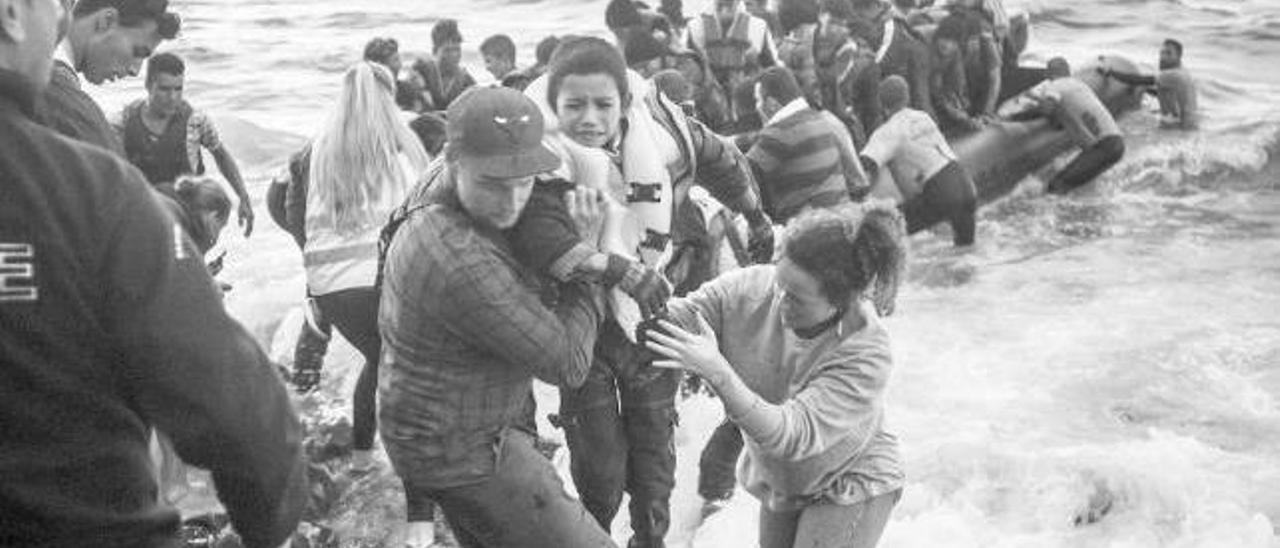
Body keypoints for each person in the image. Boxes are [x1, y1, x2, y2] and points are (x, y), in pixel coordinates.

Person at [0, 1, 306, 545]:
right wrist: (269, 522)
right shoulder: (88, 184)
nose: (62, 19)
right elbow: (232, 404)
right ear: (11, 14)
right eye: (52, 3)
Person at [521, 37, 774, 548]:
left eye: (602, 104)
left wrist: (754, 214)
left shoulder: (665, 132)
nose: (589, 118)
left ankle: (651, 541)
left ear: (624, 102)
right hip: (582, 329)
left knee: (655, 465)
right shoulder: (534, 161)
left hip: (652, 317)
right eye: (573, 106)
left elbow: (722, 159)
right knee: (601, 472)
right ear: (552, 105)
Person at [377, 87, 617, 548]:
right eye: (493, 185)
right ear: (452, 161)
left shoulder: (436, 187)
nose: (511, 204)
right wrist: (583, 258)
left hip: (424, 427)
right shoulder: (458, 255)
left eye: (524, 182)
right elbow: (568, 364)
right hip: (464, 450)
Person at [645, 202, 907, 548]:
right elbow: (680, 317)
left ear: (840, 302)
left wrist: (718, 372)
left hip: (852, 476)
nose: (779, 301)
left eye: (797, 299)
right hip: (787, 480)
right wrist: (623, 277)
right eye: (779, 284)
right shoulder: (754, 286)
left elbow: (792, 435)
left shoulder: (866, 350)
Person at [281, 60, 437, 546]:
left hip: (330, 285)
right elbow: (426, 204)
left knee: (378, 359)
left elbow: (289, 210)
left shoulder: (315, 149)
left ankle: (364, 456)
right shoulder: (400, 139)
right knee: (409, 379)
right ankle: (420, 519)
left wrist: (314, 284)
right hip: (381, 277)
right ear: (388, 96)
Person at [116, 52, 255, 236]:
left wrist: (243, 197)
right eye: (164, 89)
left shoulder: (197, 121)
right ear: (148, 86)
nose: (172, 97)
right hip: (143, 212)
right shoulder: (125, 119)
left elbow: (221, 155)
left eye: (178, 89)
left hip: (186, 216)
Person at [38, 0, 180, 154]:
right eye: (137, 52)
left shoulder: (28, 60)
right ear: (106, 21)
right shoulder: (60, 96)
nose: (135, 71)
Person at [862, 75, 977, 246]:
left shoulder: (887, 131)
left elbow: (865, 164)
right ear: (907, 96)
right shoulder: (923, 116)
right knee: (965, 250)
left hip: (941, 190)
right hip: (966, 183)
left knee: (885, 230)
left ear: (881, 103)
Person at [747, 66, 870, 224]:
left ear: (771, 104)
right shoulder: (821, 120)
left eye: (758, 100)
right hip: (843, 220)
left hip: (809, 235)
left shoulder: (779, 133)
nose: (757, 107)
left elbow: (737, 173)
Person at [1004, 57, 1125, 194]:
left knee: (1056, 186)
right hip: (1116, 143)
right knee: (1073, 182)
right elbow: (1060, 122)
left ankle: (1054, 214)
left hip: (1102, 147)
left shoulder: (1055, 86)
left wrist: (1012, 118)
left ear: (1049, 74)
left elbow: (1046, 109)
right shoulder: (1079, 85)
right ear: (1068, 71)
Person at [688, 0, 779, 126]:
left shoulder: (758, 26)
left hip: (749, 112)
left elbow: (774, 72)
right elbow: (685, 77)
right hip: (708, 115)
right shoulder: (694, 27)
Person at [1104, 39, 1198, 130]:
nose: (1163, 57)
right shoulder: (1183, 72)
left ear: (1178, 57)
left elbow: (1140, 80)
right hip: (1188, 126)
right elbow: (1166, 94)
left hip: (1177, 127)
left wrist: (1112, 73)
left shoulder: (1172, 74)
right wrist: (1146, 90)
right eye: (1162, 53)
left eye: (1169, 53)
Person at [928, 11, 996, 136]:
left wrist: (968, 113)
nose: (947, 45)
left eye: (953, 41)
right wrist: (962, 118)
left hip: (949, 103)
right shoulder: (929, 55)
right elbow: (936, 93)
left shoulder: (956, 56)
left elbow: (958, 87)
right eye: (944, 39)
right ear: (937, 37)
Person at [413, 19, 476, 111]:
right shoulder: (421, 70)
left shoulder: (466, 80)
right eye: (447, 50)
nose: (454, 55)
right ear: (434, 51)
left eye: (457, 49)